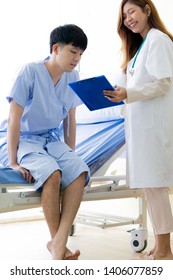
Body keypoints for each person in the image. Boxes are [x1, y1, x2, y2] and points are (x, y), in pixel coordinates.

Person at [0, 24, 90, 260]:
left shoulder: (73, 76)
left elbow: (70, 120)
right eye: (73, 51)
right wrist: (13, 161)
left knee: (78, 171)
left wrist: (71, 156)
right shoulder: (29, 72)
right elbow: (13, 119)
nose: (77, 58)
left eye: (81, 54)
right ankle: (59, 246)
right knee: (53, 174)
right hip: (26, 139)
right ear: (56, 48)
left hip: (51, 139)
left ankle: (58, 242)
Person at [103, 0, 173, 260]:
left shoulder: (158, 40)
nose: (128, 19)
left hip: (154, 128)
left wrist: (128, 93)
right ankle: (159, 246)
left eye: (131, 11)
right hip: (141, 129)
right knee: (149, 188)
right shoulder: (139, 49)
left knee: (155, 187)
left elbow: (163, 84)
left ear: (147, 9)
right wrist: (119, 95)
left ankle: (165, 250)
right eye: (124, 16)